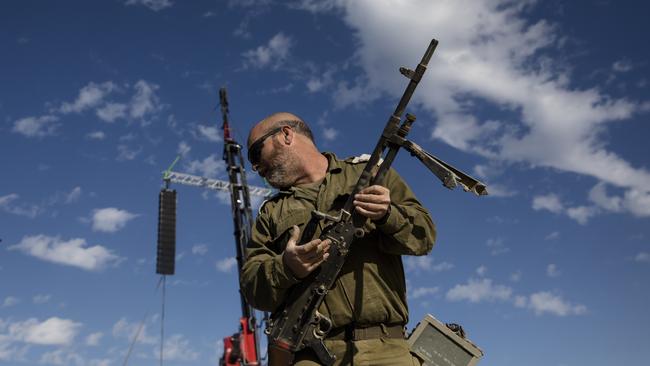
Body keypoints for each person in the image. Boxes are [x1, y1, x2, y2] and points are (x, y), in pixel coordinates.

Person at [241, 112, 436, 365]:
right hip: (308, 355)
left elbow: (424, 237)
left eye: (257, 154)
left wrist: (388, 214)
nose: (256, 168)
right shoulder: (271, 211)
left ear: (286, 135)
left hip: (383, 350)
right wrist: (286, 267)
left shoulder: (370, 174)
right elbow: (252, 288)